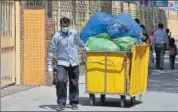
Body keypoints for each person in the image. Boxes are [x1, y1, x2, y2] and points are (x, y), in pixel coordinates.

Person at [47, 17, 88, 110]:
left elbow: (78, 42)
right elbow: (51, 50)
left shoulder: (74, 33)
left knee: (74, 82)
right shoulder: (56, 36)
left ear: (69, 25)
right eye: (63, 26)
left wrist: (85, 47)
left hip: (73, 62)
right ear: (60, 26)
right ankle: (61, 103)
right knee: (61, 80)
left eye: (66, 26)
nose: (65, 27)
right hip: (62, 62)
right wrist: (49, 64)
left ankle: (73, 102)